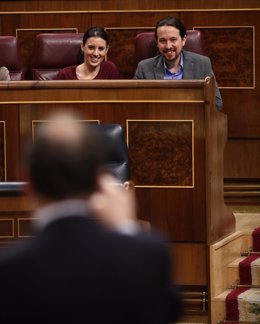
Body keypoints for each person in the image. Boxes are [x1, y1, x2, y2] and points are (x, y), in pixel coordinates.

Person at [0, 111, 181, 324]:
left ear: (29, 188)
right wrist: (126, 229)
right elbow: (166, 311)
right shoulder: (148, 255)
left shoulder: (9, 270)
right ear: (98, 182)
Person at [134, 16, 223, 111]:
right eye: (163, 41)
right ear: (157, 42)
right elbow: (134, 103)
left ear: (183, 40)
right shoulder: (144, 67)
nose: (168, 46)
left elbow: (217, 104)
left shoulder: (202, 64)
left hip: (193, 122)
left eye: (173, 40)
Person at [55, 27, 120, 80]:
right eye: (91, 47)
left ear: (106, 50)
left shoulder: (110, 70)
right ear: (82, 47)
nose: (96, 53)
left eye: (101, 48)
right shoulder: (65, 75)